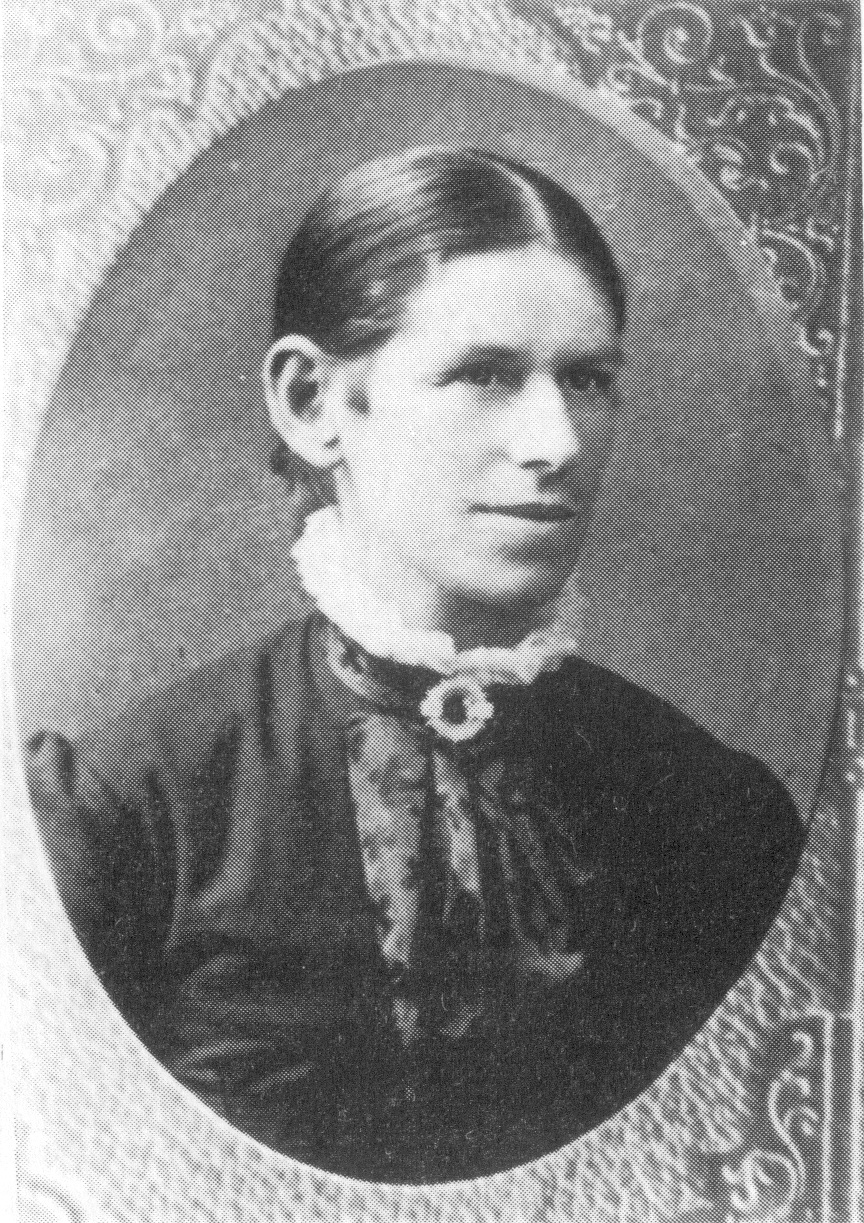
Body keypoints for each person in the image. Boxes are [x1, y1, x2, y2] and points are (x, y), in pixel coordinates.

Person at [24, 147, 804, 1183]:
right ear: (313, 401)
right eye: (485, 374)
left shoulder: (717, 817)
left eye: (588, 379)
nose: (557, 441)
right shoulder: (116, 817)